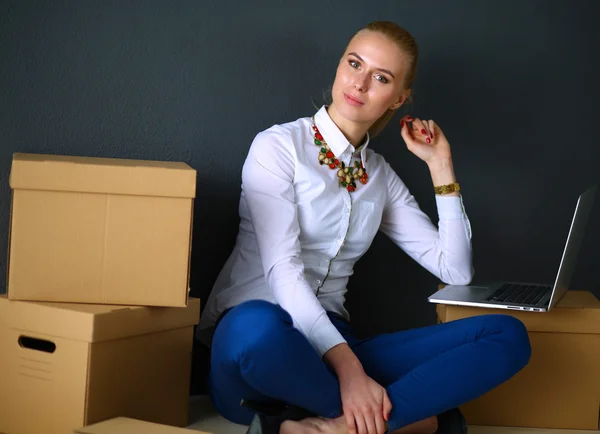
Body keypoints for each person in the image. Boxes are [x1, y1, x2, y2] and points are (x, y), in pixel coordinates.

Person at [195, 20, 531, 434]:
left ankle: (321, 428)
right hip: (260, 348)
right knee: (257, 328)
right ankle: (415, 420)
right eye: (354, 63)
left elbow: (455, 270)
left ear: (398, 99)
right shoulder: (277, 147)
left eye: (381, 77)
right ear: (339, 65)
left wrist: (439, 165)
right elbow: (282, 272)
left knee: (506, 334)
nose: (360, 83)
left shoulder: (380, 177)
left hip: (337, 345)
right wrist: (352, 375)